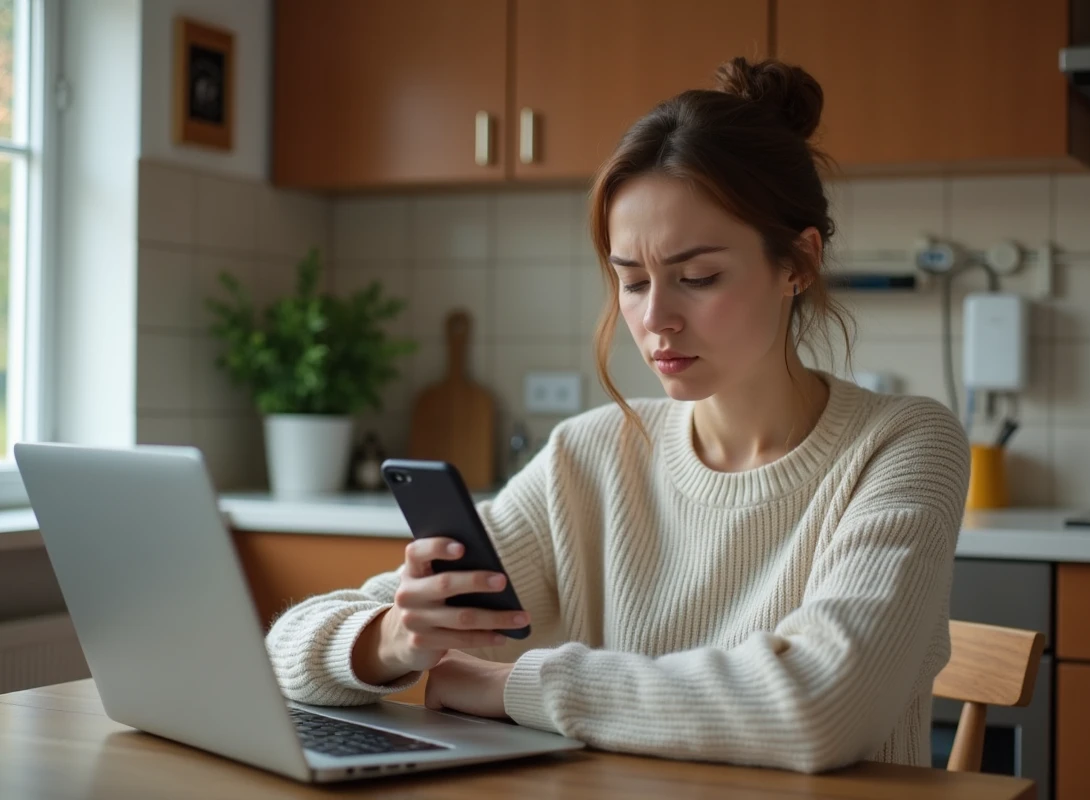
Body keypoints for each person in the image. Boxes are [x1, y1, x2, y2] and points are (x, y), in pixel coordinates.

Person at [265, 56, 970, 774]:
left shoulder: (905, 443)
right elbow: (285, 650)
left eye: (698, 278)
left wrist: (517, 687)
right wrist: (393, 639)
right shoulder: (590, 454)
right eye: (631, 281)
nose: (655, 318)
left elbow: (817, 708)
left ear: (799, 263)